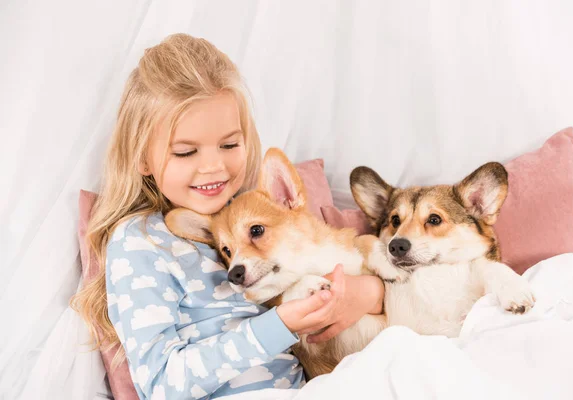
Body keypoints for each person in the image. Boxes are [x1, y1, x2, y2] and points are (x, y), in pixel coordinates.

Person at [70, 33, 385, 399]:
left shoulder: (256, 212)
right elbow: (160, 385)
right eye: (186, 152)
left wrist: (369, 291)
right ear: (141, 157)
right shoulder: (142, 242)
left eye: (230, 144)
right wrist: (277, 326)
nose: (213, 166)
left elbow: (332, 276)